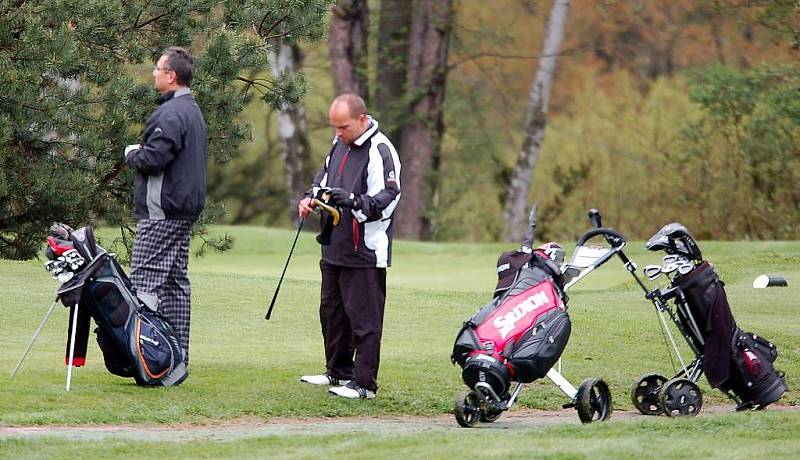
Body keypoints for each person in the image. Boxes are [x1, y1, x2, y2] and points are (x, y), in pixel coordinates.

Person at [298, 93, 401, 399]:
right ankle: (339, 371)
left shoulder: (381, 150)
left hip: (364, 250)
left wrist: (354, 201)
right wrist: (309, 197)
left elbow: (388, 199)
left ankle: (365, 383)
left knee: (364, 318)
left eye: (342, 127)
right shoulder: (339, 144)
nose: (338, 133)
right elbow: (322, 179)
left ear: (361, 119)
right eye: (334, 128)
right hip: (334, 244)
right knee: (332, 312)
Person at [123, 47, 207, 367]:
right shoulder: (192, 110)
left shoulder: (170, 114)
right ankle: (176, 356)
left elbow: (153, 158)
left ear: (172, 76)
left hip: (162, 213)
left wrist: (132, 152)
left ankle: (144, 358)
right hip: (183, 211)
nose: (154, 73)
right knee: (174, 283)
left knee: (143, 282)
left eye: (158, 69)